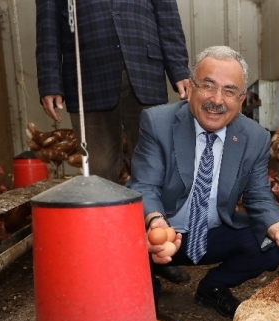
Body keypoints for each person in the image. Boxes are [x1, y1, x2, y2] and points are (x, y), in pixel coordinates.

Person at [127, 46, 279, 318]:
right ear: (190, 87)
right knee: (126, 257)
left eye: (229, 91)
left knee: (271, 244)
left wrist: (278, 227)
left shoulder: (256, 137)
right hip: (162, 236)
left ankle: (213, 287)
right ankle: (148, 281)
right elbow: (145, 185)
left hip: (213, 235)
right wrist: (155, 222)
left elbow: (258, 196)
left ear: (241, 99)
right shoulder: (158, 122)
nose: (217, 99)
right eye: (208, 86)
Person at [35, 0, 192, 284]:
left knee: (155, 169)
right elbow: (48, 22)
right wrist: (49, 80)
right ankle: (110, 260)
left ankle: (157, 254)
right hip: (87, 76)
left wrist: (179, 66)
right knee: (99, 173)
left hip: (146, 67)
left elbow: (166, 12)